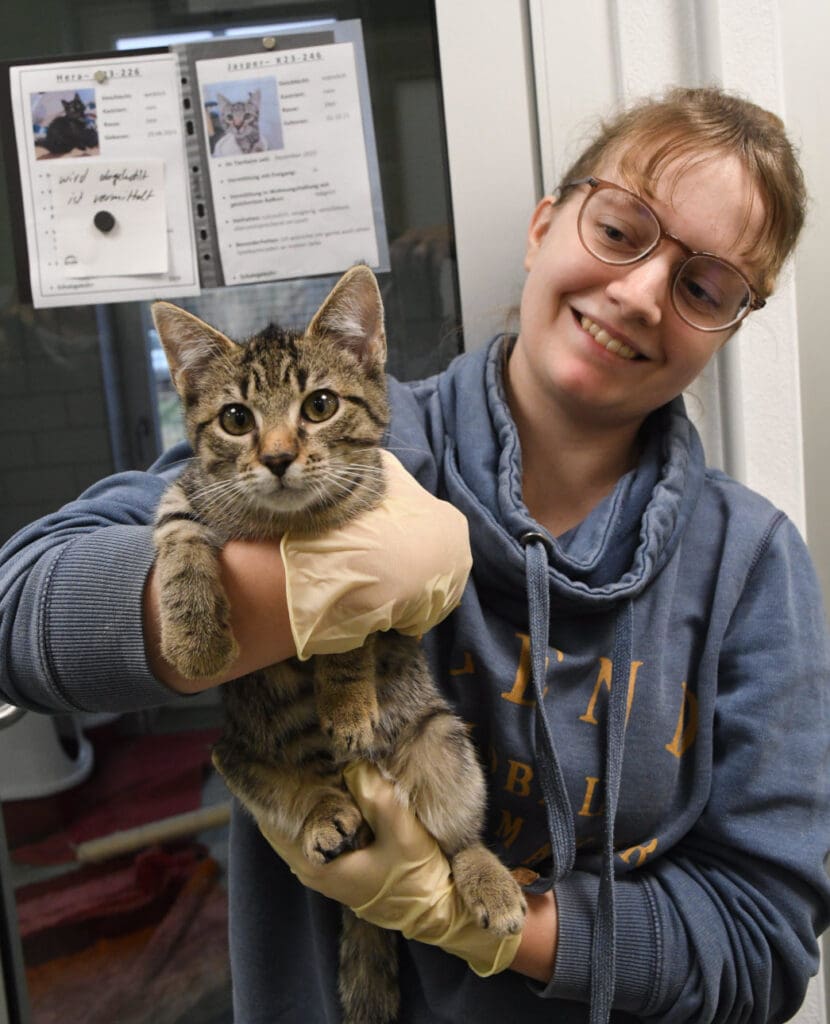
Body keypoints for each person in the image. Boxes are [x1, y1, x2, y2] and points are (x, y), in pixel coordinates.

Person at [1, 84, 828, 1023]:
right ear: (545, 225)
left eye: (703, 286)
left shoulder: (751, 568)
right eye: (620, 229)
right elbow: (17, 606)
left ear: (730, 324)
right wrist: (291, 587)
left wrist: (497, 928)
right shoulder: (345, 451)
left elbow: (762, 946)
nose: (639, 294)